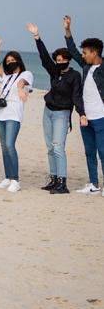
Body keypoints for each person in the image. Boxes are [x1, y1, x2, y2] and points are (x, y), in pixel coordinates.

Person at [28, 21, 83, 194]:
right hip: (48, 111)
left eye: (63, 60)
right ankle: (53, 179)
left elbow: (76, 96)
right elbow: (44, 57)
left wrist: (81, 113)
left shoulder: (74, 76)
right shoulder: (55, 72)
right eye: (58, 60)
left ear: (68, 60)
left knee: (58, 147)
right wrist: (37, 37)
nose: (60, 62)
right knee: (50, 147)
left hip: (62, 114)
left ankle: (62, 182)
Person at [64, 17, 104, 198]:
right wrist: (67, 31)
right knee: (89, 152)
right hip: (86, 118)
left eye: (86, 52)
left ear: (94, 53)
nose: (83, 55)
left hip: (101, 117)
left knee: (103, 152)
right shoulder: (86, 67)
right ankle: (94, 184)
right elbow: (72, 52)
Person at [0, 36, 33, 193]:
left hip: (14, 114)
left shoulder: (26, 74)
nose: (9, 62)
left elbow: (22, 83)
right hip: (1, 114)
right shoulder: (6, 77)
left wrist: (21, 89)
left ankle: (15, 180)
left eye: (12, 60)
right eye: (7, 61)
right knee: (4, 147)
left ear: (19, 61)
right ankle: (7, 177)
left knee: (9, 145)